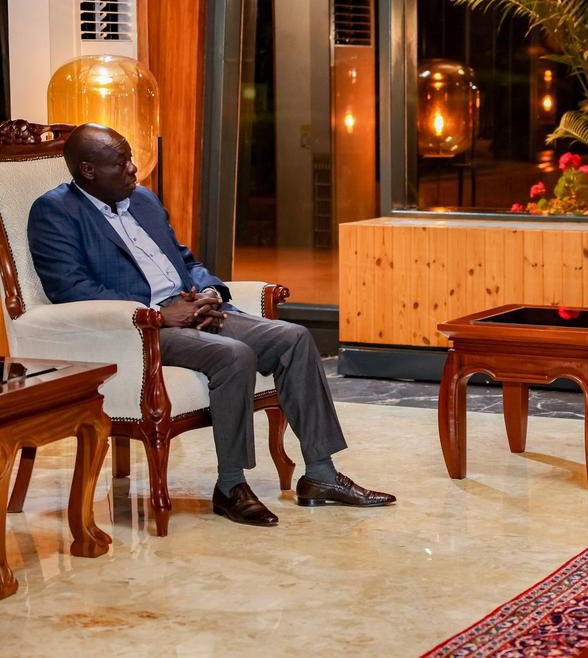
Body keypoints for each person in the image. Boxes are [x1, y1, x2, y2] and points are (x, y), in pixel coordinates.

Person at [27, 123, 395, 526]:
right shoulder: (55, 212)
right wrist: (160, 314)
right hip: (139, 330)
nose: (134, 168)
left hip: (194, 311)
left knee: (293, 337)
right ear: (88, 171)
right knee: (234, 355)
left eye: (130, 158)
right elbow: (70, 288)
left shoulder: (144, 200)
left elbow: (186, 262)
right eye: (122, 162)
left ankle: (321, 476)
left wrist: (210, 294)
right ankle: (231, 485)